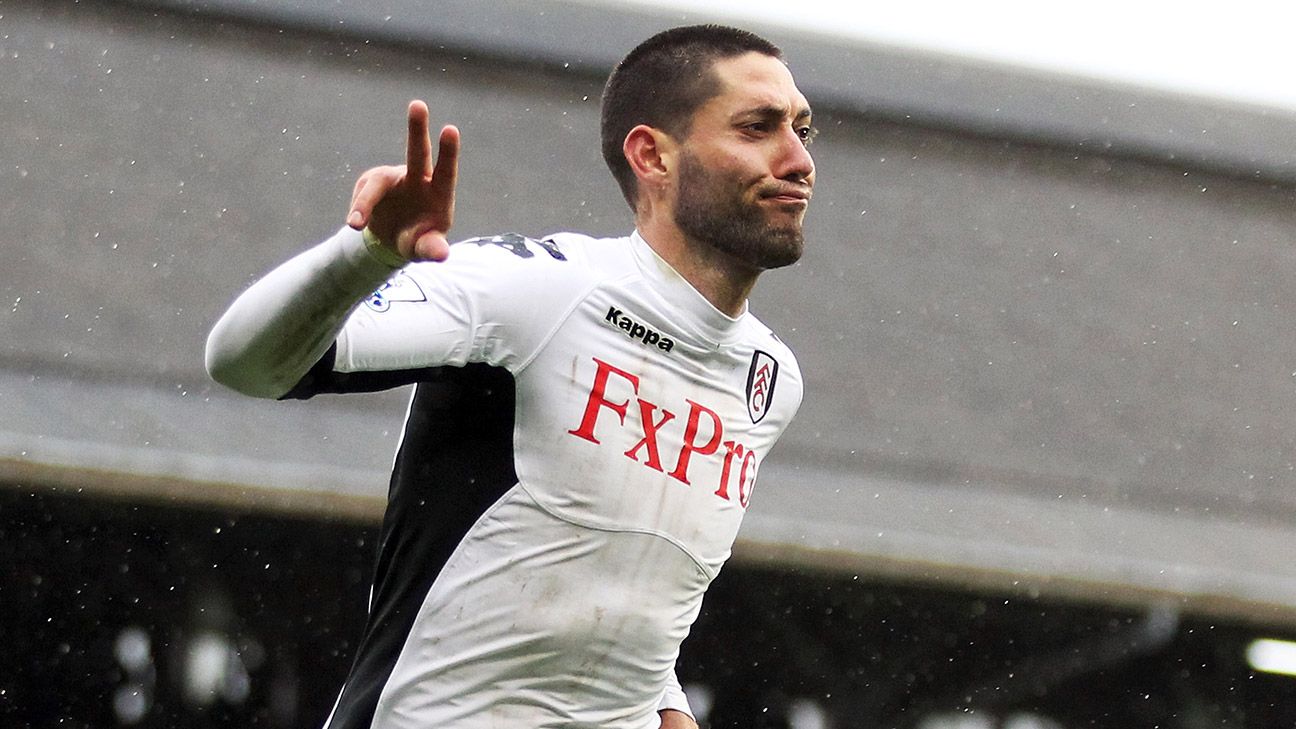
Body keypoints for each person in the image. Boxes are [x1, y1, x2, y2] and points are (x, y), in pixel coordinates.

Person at [206, 23, 814, 729]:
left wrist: (667, 705)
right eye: (758, 127)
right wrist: (365, 253)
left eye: (803, 129)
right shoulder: (534, 288)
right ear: (653, 155)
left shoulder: (770, 379)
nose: (798, 158)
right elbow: (243, 363)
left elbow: (621, 575)